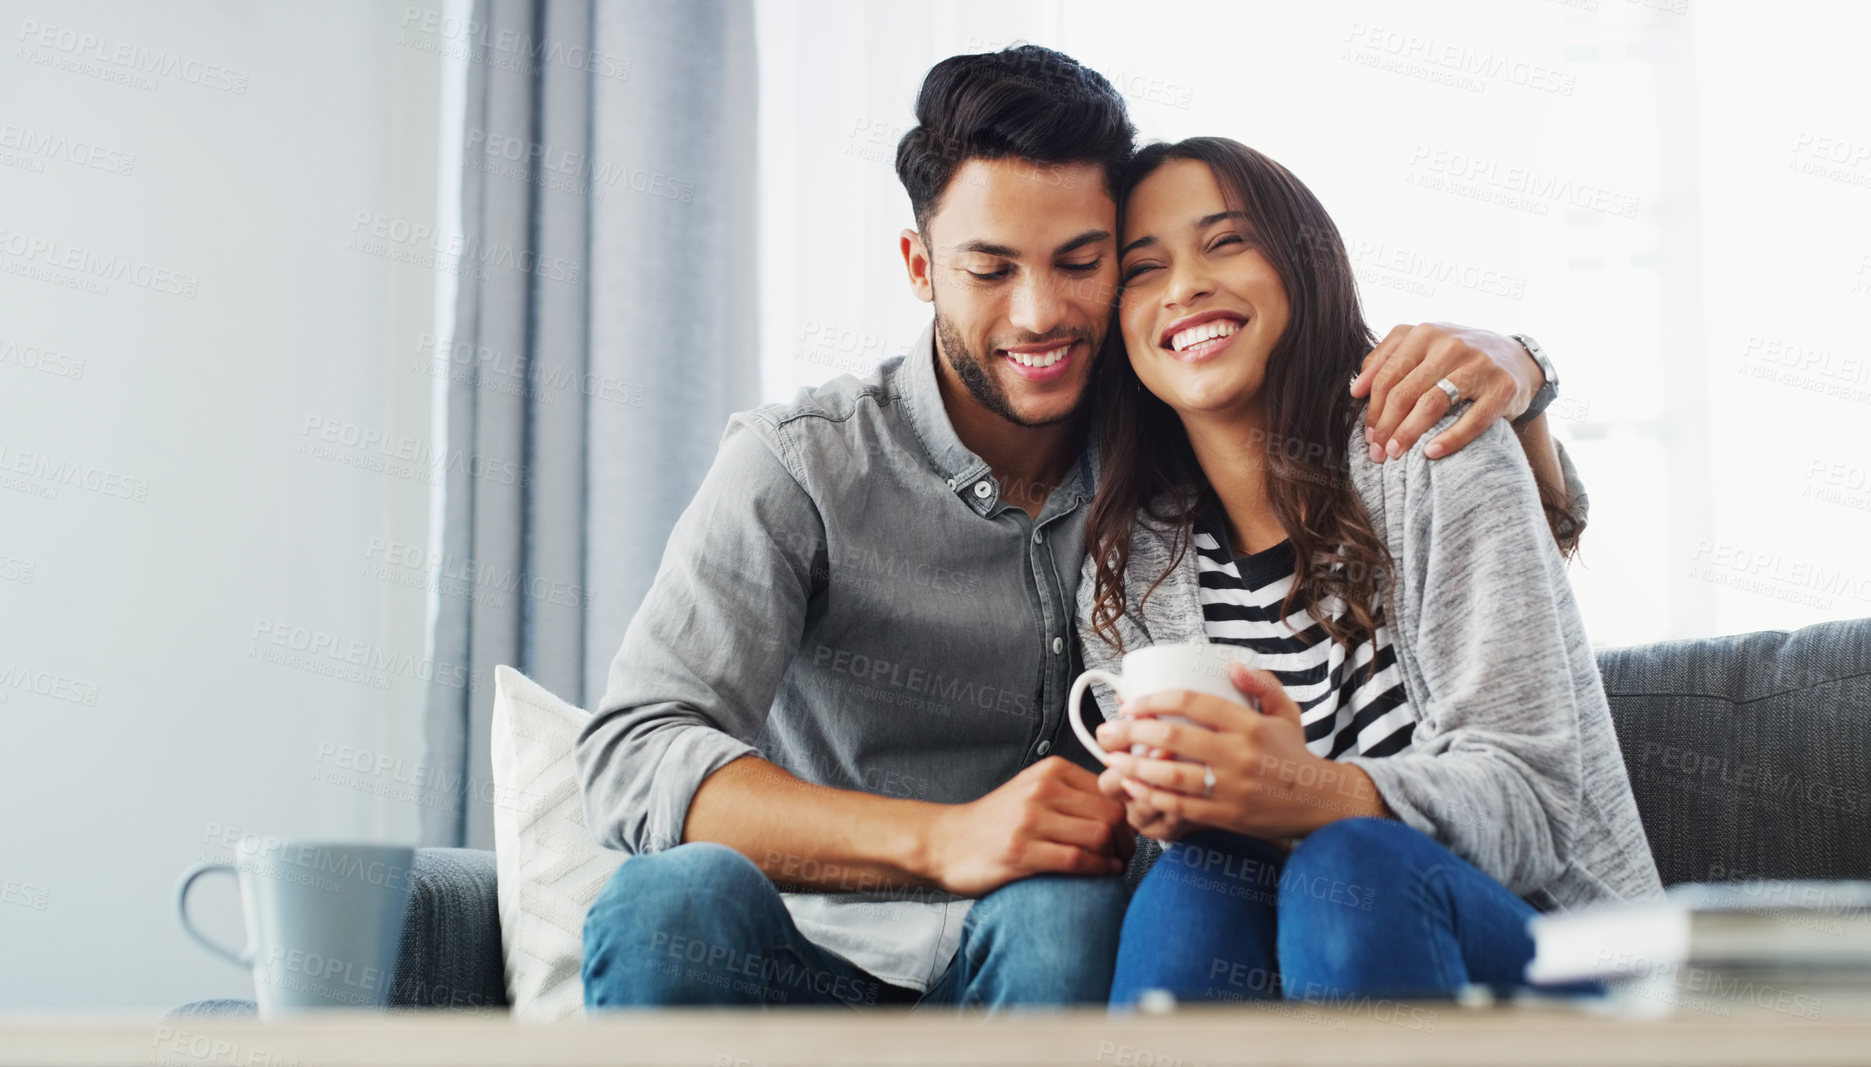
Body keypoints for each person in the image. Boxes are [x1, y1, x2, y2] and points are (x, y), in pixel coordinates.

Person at [576, 46, 1584, 1010]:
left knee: (1109, 905)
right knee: (665, 900)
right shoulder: (804, 464)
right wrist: (940, 839)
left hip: (1052, 942)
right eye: (989, 269)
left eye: (1081, 261)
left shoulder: (1162, 436)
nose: (1039, 314)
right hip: (812, 945)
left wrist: (1520, 371)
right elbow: (632, 751)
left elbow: (1493, 519)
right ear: (919, 267)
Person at [1076, 136, 1662, 1008]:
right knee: (1195, 878)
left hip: (1554, 959)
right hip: (1295, 970)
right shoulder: (1132, 565)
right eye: (1141, 267)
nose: (1185, 284)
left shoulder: (1435, 446)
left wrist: (1301, 790)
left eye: (1225, 241)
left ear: (1304, 265)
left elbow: (1532, 807)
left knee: (1348, 861)